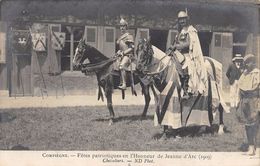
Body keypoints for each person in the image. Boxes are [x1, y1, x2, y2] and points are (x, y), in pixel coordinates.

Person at [168, 10, 207, 99]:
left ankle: (186, 89)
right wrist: (172, 46)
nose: (182, 21)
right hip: (177, 54)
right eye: (180, 19)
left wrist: (178, 46)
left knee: (186, 66)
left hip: (187, 54)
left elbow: (189, 43)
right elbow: (175, 43)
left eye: (183, 19)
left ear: (187, 19)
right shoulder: (179, 31)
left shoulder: (190, 30)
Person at [237, 54, 260, 156]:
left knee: (255, 125)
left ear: (253, 62)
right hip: (245, 102)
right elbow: (240, 89)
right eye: (246, 62)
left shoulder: (257, 74)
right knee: (248, 125)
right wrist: (239, 102)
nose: (247, 64)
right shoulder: (244, 74)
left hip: (254, 101)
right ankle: (251, 148)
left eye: (249, 62)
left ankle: (256, 148)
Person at [116, 18, 135, 90]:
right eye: (121, 26)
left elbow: (131, 48)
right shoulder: (120, 37)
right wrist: (119, 51)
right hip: (121, 55)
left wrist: (123, 53)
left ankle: (124, 84)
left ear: (126, 27)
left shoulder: (129, 36)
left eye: (123, 26)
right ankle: (119, 82)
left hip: (128, 56)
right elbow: (121, 48)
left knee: (121, 66)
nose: (122, 28)